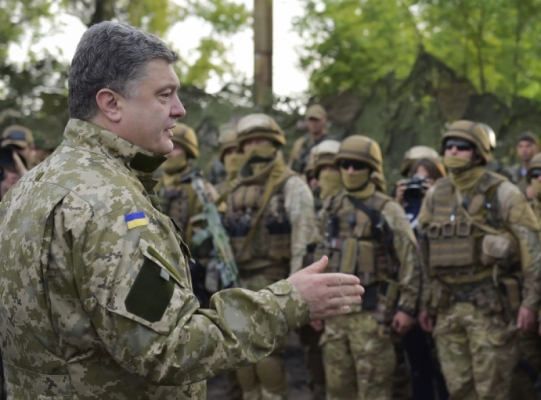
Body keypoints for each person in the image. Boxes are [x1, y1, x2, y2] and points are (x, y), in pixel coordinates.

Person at [0, 21, 364, 399]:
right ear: (111, 103)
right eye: (164, 95)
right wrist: (289, 302)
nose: (179, 110)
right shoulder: (110, 206)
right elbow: (169, 347)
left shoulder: (27, 189)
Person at [418, 120, 541, 400]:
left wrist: (530, 303)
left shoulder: (502, 192)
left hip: (490, 307)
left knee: (493, 392)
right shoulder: (436, 194)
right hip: (448, 307)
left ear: (478, 153)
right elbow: (424, 250)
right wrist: (426, 302)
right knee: (459, 390)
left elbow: (532, 250)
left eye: (462, 147)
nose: (453, 151)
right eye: (449, 146)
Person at [315, 135, 420, 400]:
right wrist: (312, 306)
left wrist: (407, 307)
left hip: (373, 314)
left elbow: (410, 259)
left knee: (375, 391)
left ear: (371, 169)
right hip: (335, 315)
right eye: (345, 165)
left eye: (358, 165)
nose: (350, 171)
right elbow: (319, 255)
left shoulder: (388, 210)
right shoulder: (331, 207)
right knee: (337, 390)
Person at [223, 113, 319, 399]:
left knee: (267, 356)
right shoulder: (233, 188)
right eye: (248, 142)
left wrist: (297, 291)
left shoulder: (292, 185)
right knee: (240, 356)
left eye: (260, 140)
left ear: (275, 143)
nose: (254, 147)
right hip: (237, 282)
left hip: (274, 280)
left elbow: (303, 241)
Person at [289, 104, 328, 174]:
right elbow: (291, 166)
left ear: (324, 120)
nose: (313, 123)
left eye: (316, 120)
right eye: (311, 120)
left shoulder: (329, 143)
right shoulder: (300, 143)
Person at [504, 131, 539, 196]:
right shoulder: (511, 174)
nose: (524, 150)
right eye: (520, 146)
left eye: (528, 146)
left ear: (536, 148)